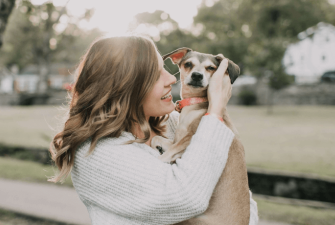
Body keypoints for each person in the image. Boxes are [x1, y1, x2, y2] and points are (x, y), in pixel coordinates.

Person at [49, 35, 258, 225]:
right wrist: (215, 110)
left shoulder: (174, 123)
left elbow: (241, 200)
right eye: (157, 75)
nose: (172, 79)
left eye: (166, 69)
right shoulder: (96, 153)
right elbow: (186, 198)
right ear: (126, 87)